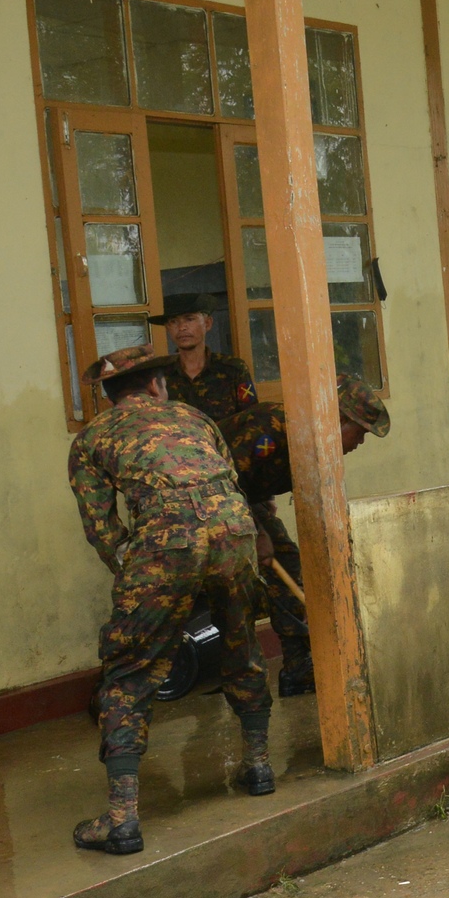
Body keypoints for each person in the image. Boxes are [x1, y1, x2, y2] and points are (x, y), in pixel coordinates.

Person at [67, 343, 275, 856]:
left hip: (165, 541)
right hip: (235, 532)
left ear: (109, 395)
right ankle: (259, 767)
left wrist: (140, 574)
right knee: (241, 642)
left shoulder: (91, 438)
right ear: (158, 385)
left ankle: (122, 820)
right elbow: (230, 485)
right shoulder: (194, 417)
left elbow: (102, 528)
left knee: (128, 670)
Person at [219, 380, 391, 696]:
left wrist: (264, 501)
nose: (360, 442)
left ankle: (298, 668)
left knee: (286, 561)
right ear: (339, 420)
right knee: (230, 582)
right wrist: (256, 532)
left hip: (242, 500)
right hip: (199, 503)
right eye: (360, 432)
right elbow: (224, 483)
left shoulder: (314, 444)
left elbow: (259, 477)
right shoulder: (272, 427)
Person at [153, 294, 258, 422]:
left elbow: (251, 418)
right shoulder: (158, 375)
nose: (181, 327)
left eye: (189, 319)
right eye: (174, 321)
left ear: (207, 324)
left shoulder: (233, 369)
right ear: (167, 328)